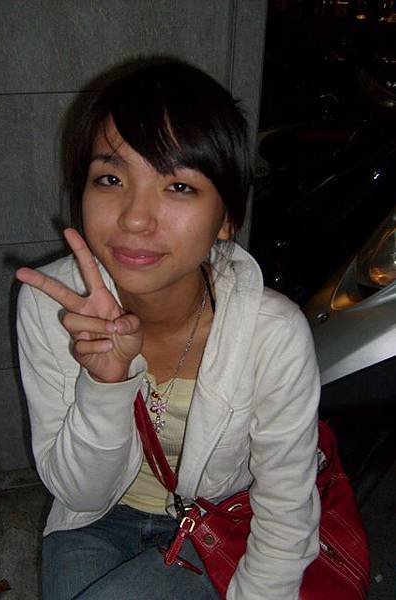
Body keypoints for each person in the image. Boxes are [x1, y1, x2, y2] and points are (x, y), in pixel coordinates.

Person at [16, 59, 320, 600]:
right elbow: (79, 493)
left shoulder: (273, 334)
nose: (135, 218)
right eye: (111, 179)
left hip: (225, 520)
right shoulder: (50, 307)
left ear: (226, 219)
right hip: (97, 519)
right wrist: (105, 384)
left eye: (178, 185)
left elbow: (285, 516)